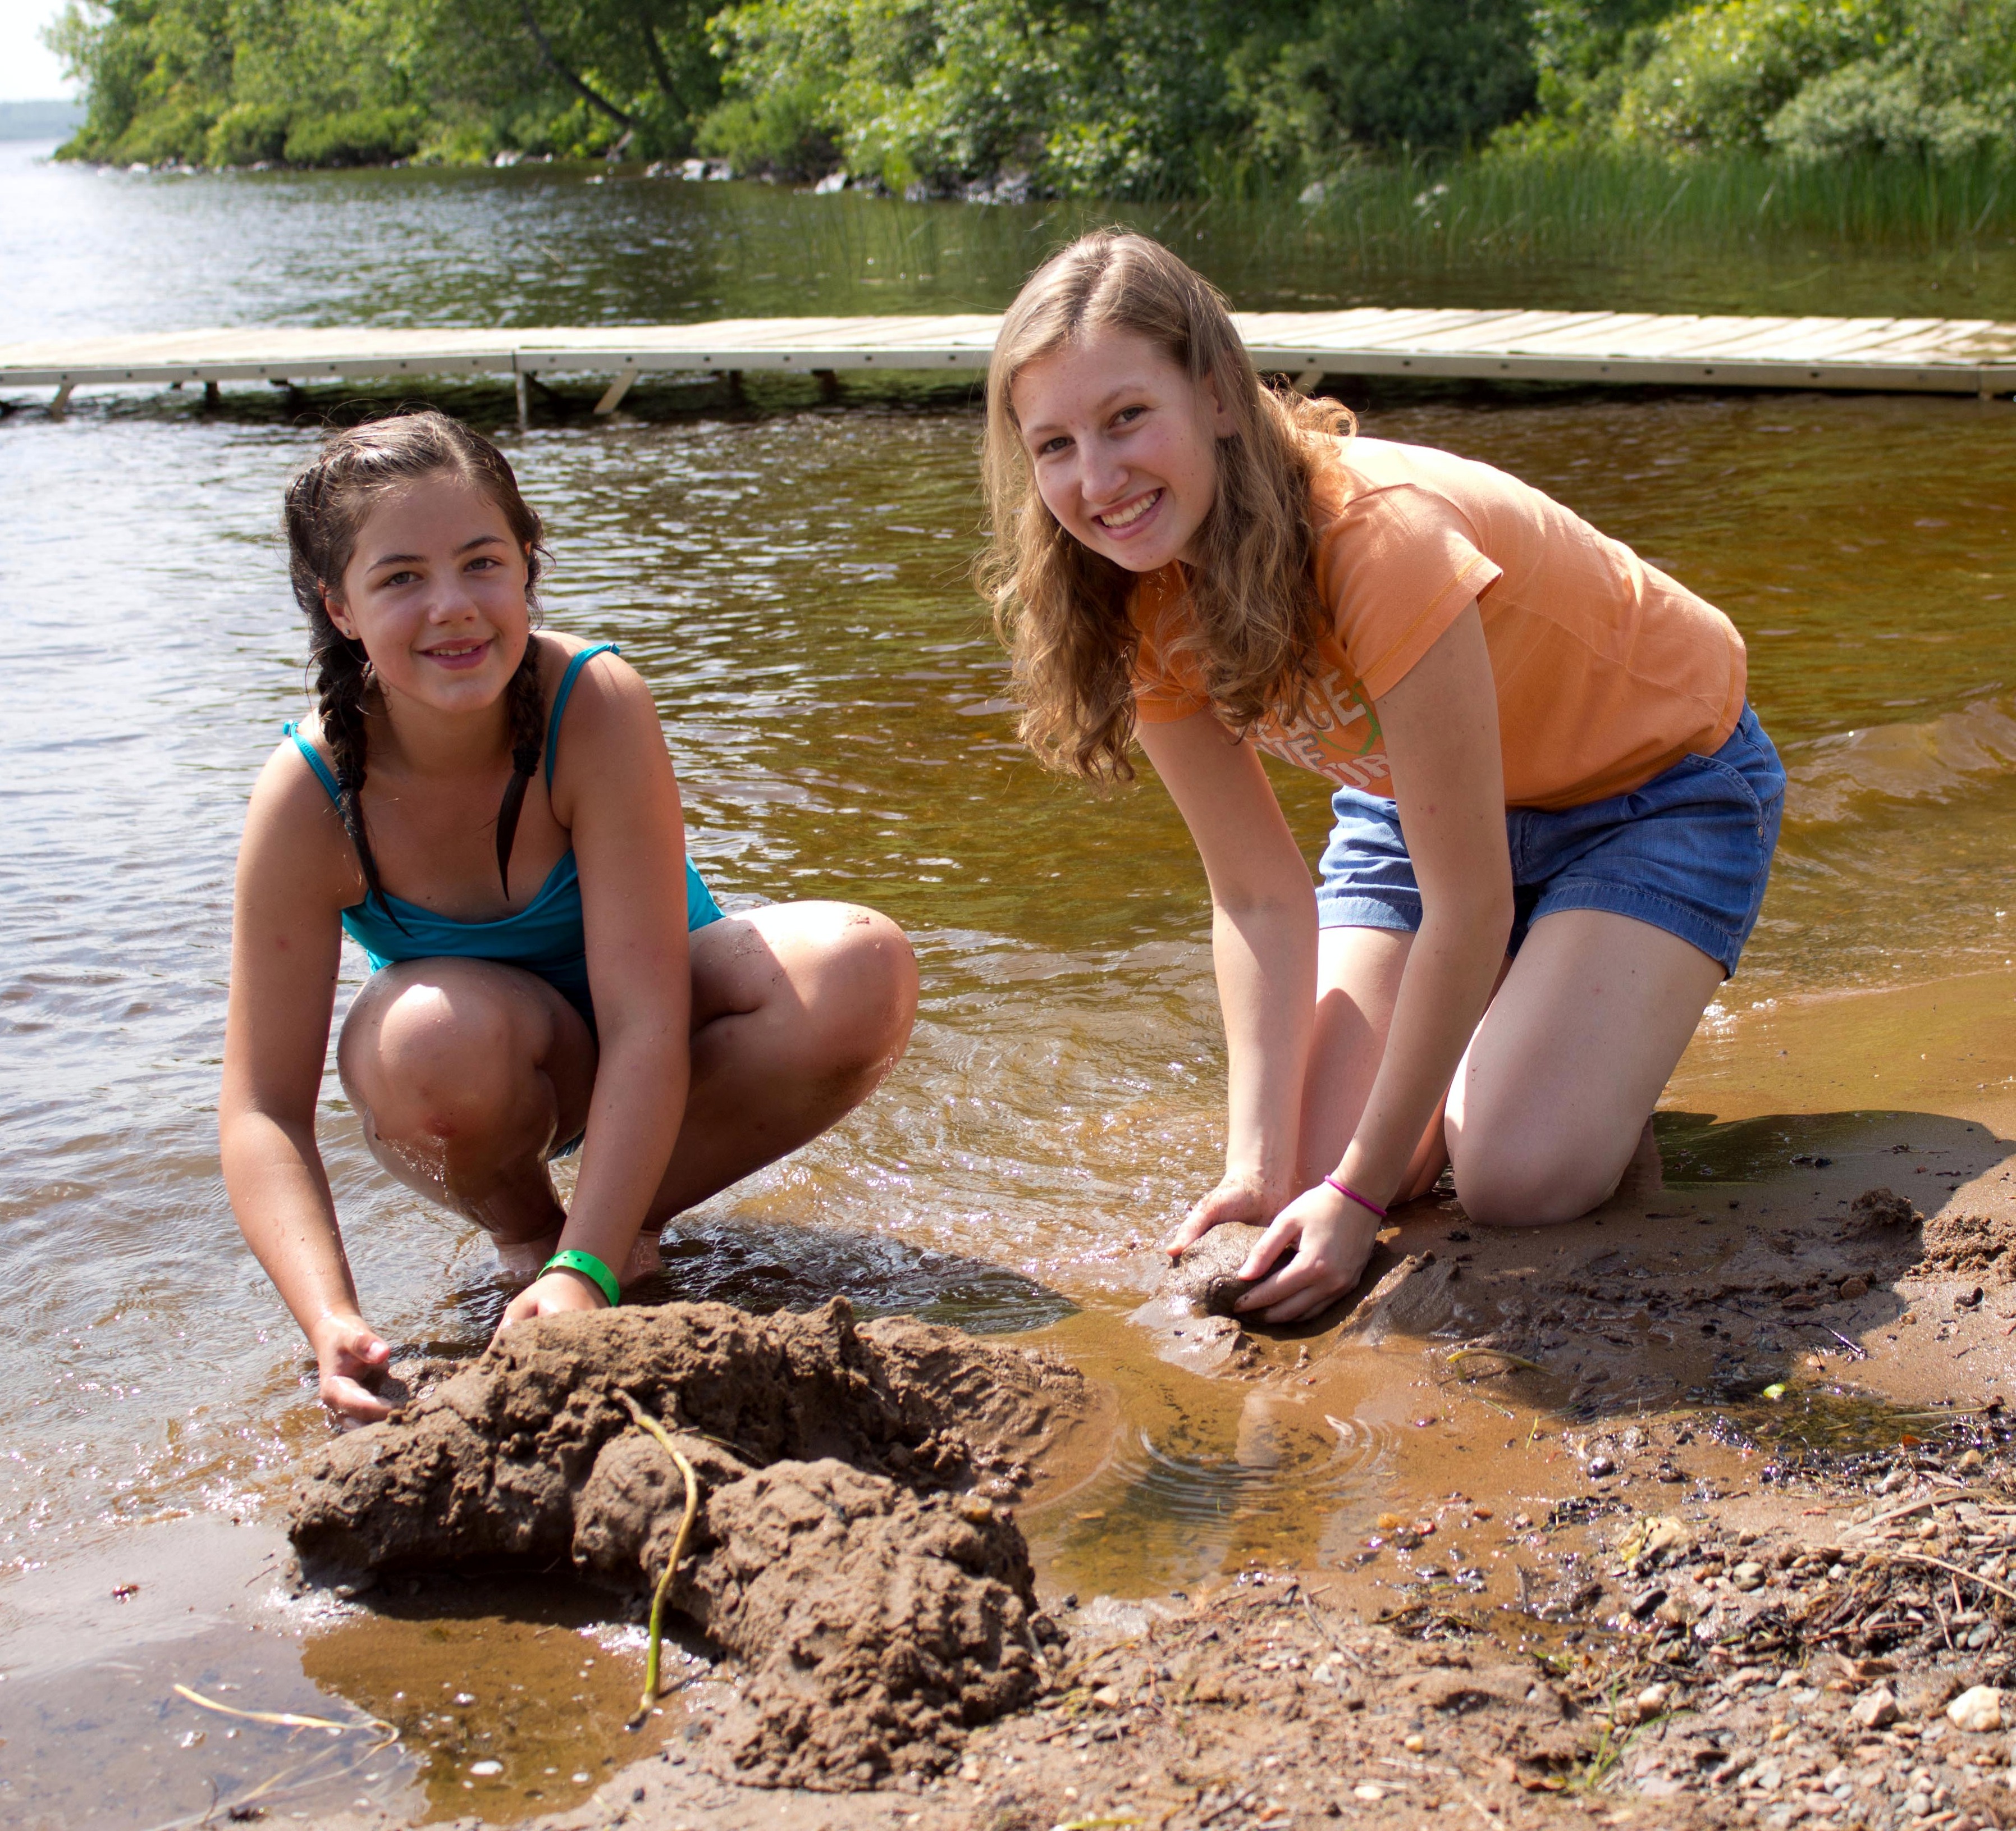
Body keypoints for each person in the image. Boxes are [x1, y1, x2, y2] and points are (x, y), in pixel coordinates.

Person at [979, 231, 1783, 1325]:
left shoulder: (1378, 537)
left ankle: (1553, 1051)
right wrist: (1259, 1166)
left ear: (1215, 393)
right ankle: (1539, 1026)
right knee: (1302, 1176)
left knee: (1511, 1175)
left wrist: (1358, 1198)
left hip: (1654, 791)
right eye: (1055, 444)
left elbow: (1467, 904)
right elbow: (1258, 897)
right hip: (1419, 810)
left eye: (1126, 418)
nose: (1097, 478)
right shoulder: (1137, 597)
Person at [221, 410, 917, 1421]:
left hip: (663, 1036)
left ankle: (601, 1238)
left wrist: (593, 1264)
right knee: (421, 1034)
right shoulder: (308, 795)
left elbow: (642, 1019)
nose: (453, 607)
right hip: (473, 1082)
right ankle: (525, 1240)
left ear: (529, 566)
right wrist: (329, 1317)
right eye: (402, 577)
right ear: (339, 607)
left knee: (863, 966)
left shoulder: (593, 704)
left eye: (481, 563)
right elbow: (261, 1113)